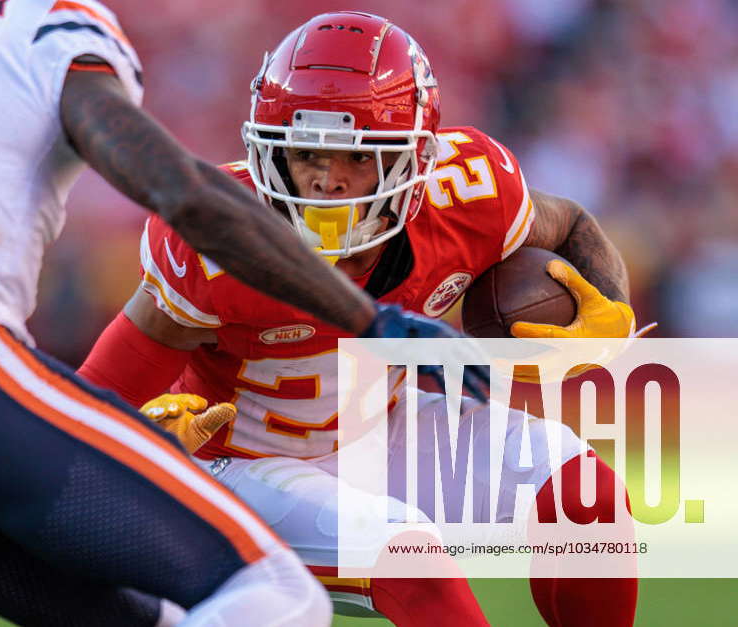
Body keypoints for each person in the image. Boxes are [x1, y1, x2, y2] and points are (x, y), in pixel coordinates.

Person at [0, 1, 483, 625]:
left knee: (149, 617)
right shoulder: (32, 23)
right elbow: (182, 192)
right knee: (274, 593)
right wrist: (370, 320)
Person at [79, 11, 641, 627]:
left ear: (411, 158)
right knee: (409, 557)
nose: (326, 180)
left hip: (382, 425)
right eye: (304, 151)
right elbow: (91, 405)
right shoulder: (216, 237)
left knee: (587, 494)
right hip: (243, 462)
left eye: (355, 155)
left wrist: (610, 304)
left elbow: (567, 221)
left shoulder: (466, 192)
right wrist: (139, 441)